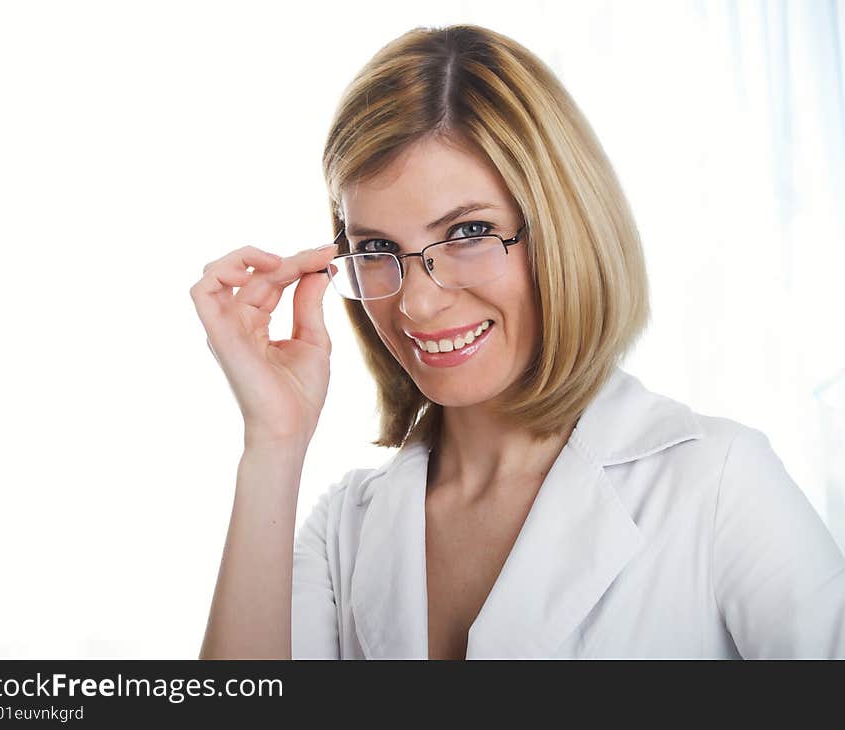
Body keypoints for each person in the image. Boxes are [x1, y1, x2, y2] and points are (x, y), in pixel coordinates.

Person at [190, 24, 845, 659]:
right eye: (378, 248)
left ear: (563, 228)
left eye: (470, 232)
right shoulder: (345, 530)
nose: (417, 301)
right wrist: (274, 442)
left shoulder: (717, 482)